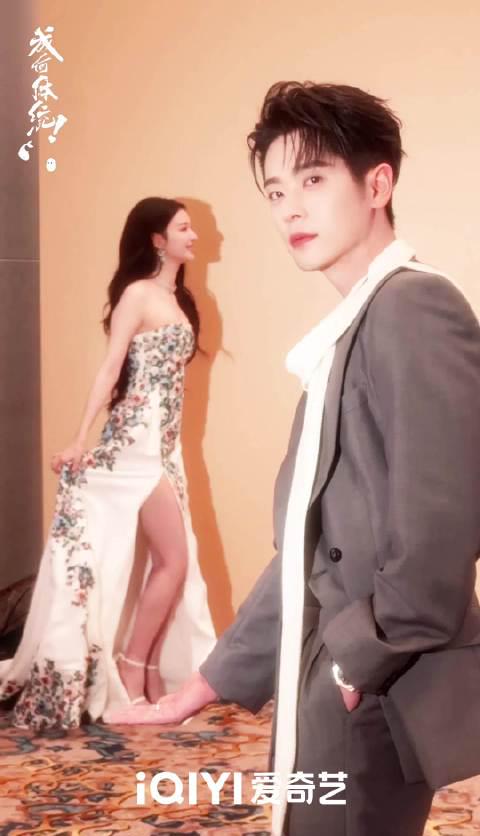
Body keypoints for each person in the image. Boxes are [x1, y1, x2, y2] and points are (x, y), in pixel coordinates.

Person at [104, 86, 480, 836]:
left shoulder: (414, 309)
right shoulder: (354, 327)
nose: (290, 210)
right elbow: (311, 549)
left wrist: (354, 666)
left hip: (368, 681)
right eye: (276, 191)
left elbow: (441, 530)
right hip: (330, 670)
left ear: (377, 184)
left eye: (313, 179)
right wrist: (205, 684)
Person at [0, 197, 216, 731]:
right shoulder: (138, 294)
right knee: (172, 560)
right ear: (158, 240)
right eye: (183, 228)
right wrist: (80, 438)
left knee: (169, 561)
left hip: (162, 447)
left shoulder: (179, 298)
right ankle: (133, 669)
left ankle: (146, 671)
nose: (194, 236)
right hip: (133, 445)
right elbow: (111, 368)